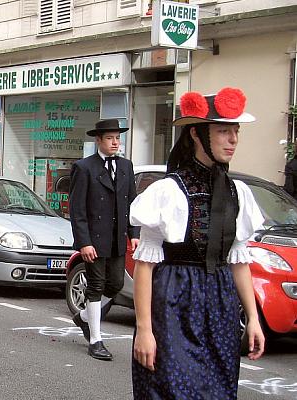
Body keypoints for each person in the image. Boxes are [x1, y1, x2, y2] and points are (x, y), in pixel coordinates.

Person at [130, 88, 265, 398]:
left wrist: (253, 319)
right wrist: (145, 330)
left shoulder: (238, 192)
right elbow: (145, 266)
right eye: (223, 131)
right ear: (197, 134)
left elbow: (238, 261)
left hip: (220, 307)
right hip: (174, 304)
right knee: (172, 390)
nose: (233, 140)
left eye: (236, 131)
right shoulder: (167, 192)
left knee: (218, 390)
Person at [68, 119, 139, 361]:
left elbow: (131, 204)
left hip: (118, 238)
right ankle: (96, 340)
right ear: (98, 140)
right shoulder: (84, 167)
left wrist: (134, 234)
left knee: (116, 284)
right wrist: (84, 242)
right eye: (110, 138)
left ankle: (84, 317)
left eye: (118, 138)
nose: (115, 142)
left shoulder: (127, 167)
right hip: (95, 239)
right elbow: (77, 209)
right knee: (96, 286)